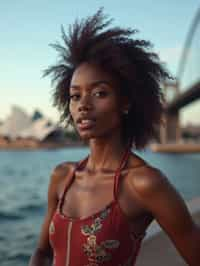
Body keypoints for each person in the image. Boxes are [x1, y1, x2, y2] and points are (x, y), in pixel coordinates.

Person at [29, 9, 200, 266]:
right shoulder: (61, 177)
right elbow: (42, 253)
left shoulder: (144, 184)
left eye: (99, 93)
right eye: (75, 96)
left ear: (126, 102)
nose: (83, 105)